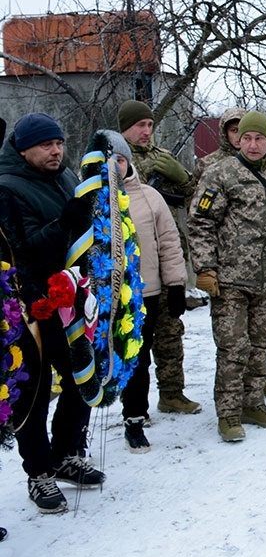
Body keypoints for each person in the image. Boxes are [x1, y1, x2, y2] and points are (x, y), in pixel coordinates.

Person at [0, 113, 105, 513]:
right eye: (46, 145)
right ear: (24, 149)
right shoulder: (7, 188)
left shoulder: (63, 178)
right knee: (35, 392)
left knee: (82, 376)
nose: (56, 151)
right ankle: (39, 473)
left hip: (72, 297)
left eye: (59, 143)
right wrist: (65, 223)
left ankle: (65, 453)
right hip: (31, 306)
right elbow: (23, 251)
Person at [188, 111, 266, 443]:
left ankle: (253, 403)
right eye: (247, 138)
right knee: (233, 347)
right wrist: (205, 268)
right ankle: (228, 412)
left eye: (260, 138)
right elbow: (200, 223)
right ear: (238, 140)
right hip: (228, 280)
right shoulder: (219, 175)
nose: (254, 144)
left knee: (260, 345)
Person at [96, 131, 187, 453]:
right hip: (100, 298)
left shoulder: (149, 196)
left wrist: (176, 284)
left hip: (143, 293)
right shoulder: (88, 198)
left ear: (128, 161)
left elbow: (169, 243)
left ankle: (134, 419)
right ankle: (76, 434)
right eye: (107, 161)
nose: (114, 167)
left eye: (119, 160)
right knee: (100, 361)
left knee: (138, 358)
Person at [118, 100, 201, 414]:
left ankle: (172, 393)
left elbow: (193, 194)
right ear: (124, 127)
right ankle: (134, 406)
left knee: (170, 334)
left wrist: (180, 175)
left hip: (166, 259)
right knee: (133, 341)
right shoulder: (114, 158)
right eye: (140, 125)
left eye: (150, 125)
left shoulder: (162, 157)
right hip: (133, 266)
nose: (146, 131)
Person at [193, 107, 245, 186]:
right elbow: (193, 194)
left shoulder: (260, 162)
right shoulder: (207, 163)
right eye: (234, 130)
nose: (238, 136)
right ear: (225, 133)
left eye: (242, 130)